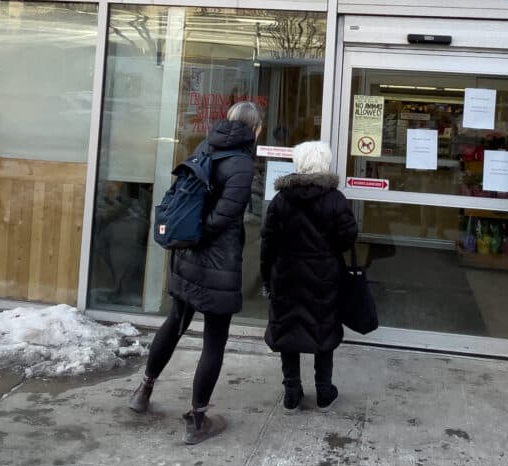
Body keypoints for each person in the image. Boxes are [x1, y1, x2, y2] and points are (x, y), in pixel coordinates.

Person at [127, 100, 263, 445]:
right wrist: (205, 232)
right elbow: (225, 217)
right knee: (214, 342)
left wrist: (192, 234)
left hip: (186, 253)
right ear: (255, 130)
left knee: (176, 321)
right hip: (216, 263)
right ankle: (198, 420)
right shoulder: (243, 164)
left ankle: (143, 390)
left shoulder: (207, 146)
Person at [260, 140, 358, 412]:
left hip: (287, 275)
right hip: (324, 276)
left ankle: (292, 392)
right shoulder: (335, 199)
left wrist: (267, 277)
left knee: (289, 329)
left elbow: (268, 242)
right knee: (323, 329)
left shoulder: (281, 200)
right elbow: (348, 236)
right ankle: (324, 392)